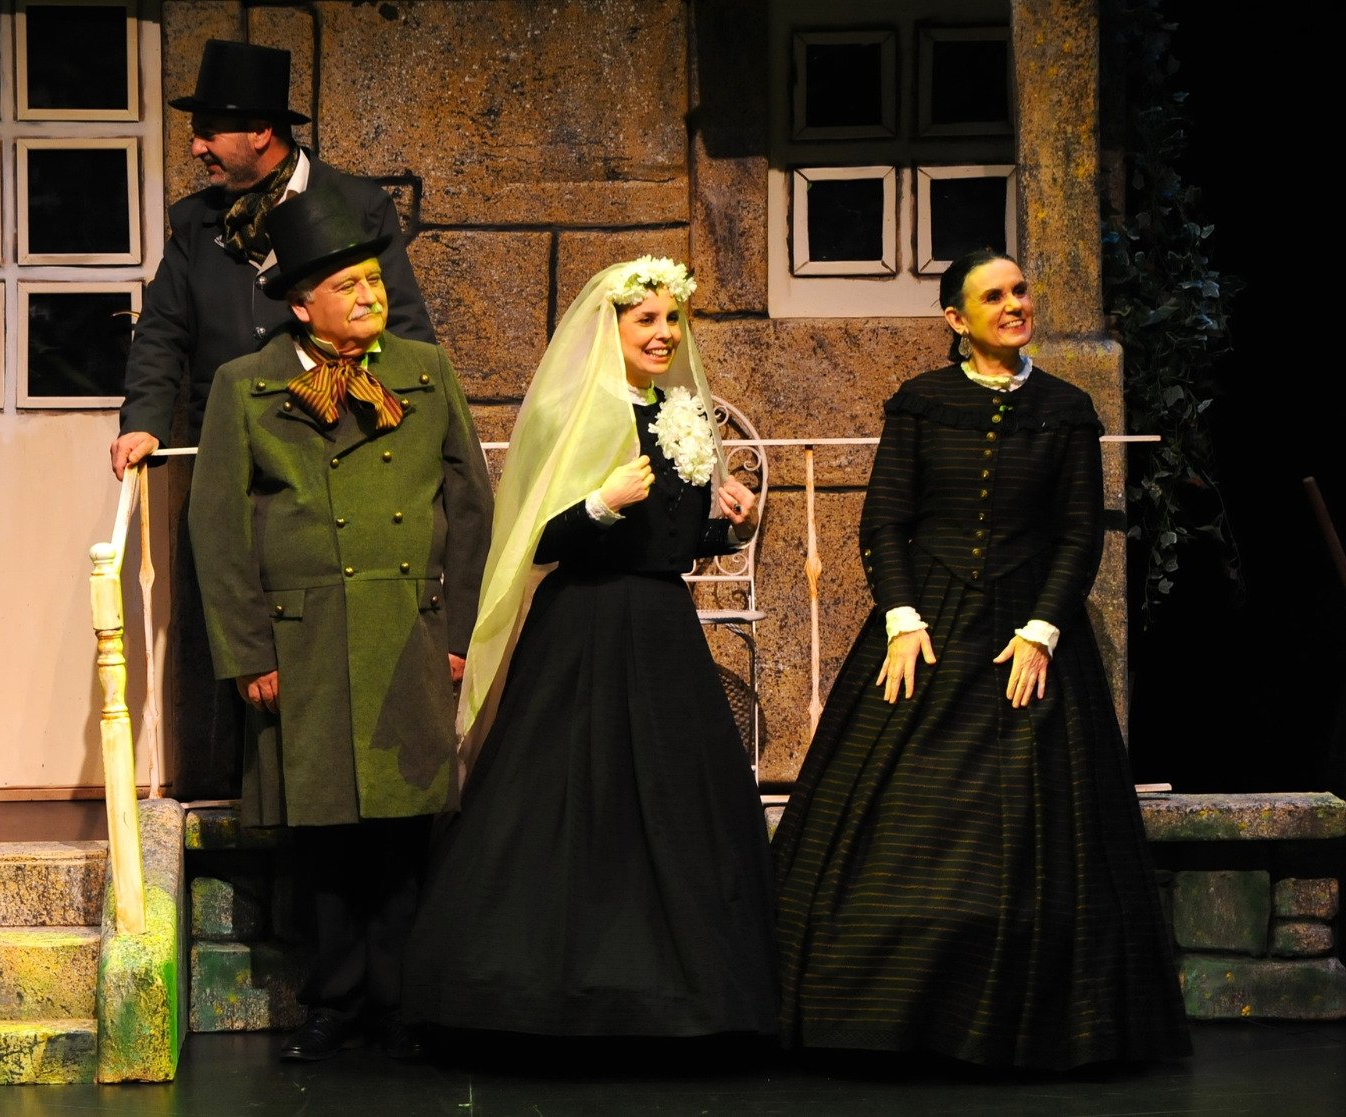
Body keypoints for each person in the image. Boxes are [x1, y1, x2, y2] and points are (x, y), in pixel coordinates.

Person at [772, 249, 1191, 1070]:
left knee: (1036, 826)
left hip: (1025, 625)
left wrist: (1042, 629)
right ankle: (875, 1022)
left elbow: (1079, 534)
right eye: (993, 296)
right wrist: (901, 619)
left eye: (1020, 290)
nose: (1014, 305)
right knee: (891, 817)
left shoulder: (1065, 410)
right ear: (956, 319)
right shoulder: (923, 403)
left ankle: (1019, 1029)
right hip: (926, 622)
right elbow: (884, 521)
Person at [402, 257, 779, 1043]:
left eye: (671, 320)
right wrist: (600, 505)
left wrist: (731, 527)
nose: (663, 334)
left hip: (661, 625)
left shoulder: (679, 412)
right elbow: (534, 538)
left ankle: (685, 994)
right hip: (586, 624)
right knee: (567, 796)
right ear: (610, 326)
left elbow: (674, 539)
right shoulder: (572, 409)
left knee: (674, 801)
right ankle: (541, 992)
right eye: (646, 319)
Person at [188, 186, 491, 1061]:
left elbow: (473, 506)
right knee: (321, 835)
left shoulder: (424, 371)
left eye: (374, 281)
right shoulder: (248, 385)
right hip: (304, 638)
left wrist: (459, 632)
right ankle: (333, 1001)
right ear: (301, 303)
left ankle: (401, 1002)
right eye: (348, 286)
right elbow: (218, 526)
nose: (368, 296)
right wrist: (249, 649)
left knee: (402, 829)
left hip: (407, 630)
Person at [111, 38, 435, 799]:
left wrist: (396, 422)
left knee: (336, 622)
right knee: (236, 625)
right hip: (234, 452)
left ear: (261, 132)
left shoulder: (356, 203)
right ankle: (234, 798)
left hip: (337, 446)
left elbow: (402, 324)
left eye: (208, 132)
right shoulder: (198, 223)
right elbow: (163, 329)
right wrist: (145, 419)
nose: (196, 148)